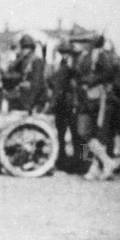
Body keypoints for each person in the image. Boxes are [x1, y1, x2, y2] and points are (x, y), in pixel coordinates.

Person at [73, 34, 120, 180]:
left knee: (98, 136)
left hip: (99, 99)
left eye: (87, 42)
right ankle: (104, 162)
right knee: (83, 134)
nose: (85, 44)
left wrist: (90, 80)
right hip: (84, 99)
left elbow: (108, 73)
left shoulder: (104, 56)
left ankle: (94, 167)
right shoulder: (83, 57)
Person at [50, 40, 82, 171]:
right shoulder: (60, 65)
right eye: (62, 52)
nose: (65, 55)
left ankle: (84, 161)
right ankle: (62, 160)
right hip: (62, 105)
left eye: (67, 52)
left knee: (80, 135)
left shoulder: (75, 66)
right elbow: (56, 83)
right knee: (61, 134)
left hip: (75, 104)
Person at [3, 34, 47, 112]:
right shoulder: (22, 60)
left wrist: (31, 103)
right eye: (23, 47)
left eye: (27, 47)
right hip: (24, 95)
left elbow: (36, 84)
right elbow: (11, 71)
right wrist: (19, 59)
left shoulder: (36, 61)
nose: (25, 50)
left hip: (34, 98)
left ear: (32, 48)